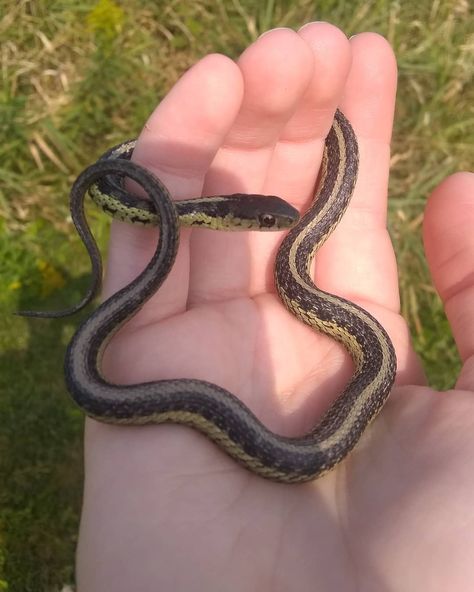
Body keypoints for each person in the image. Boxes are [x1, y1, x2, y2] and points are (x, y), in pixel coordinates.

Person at [76, 23, 474, 590]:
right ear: (229, 217)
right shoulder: (194, 210)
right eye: (264, 222)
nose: (274, 226)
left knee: (360, 346)